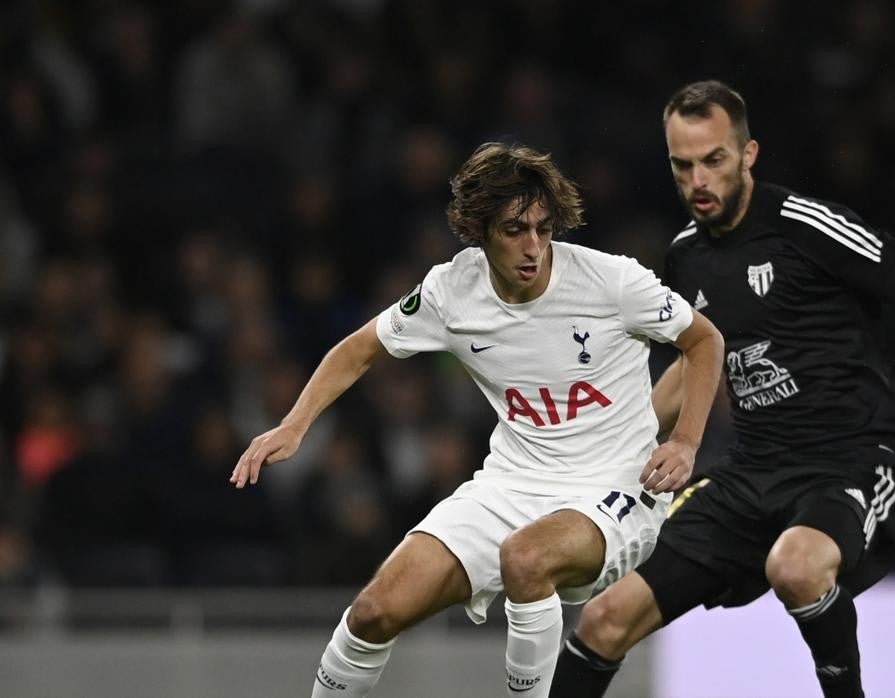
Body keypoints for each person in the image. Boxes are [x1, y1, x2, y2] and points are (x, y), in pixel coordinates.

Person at [230, 142, 724, 698]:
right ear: (480, 230)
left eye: (543, 228)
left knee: (526, 558)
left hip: (617, 488)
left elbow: (704, 339)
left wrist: (684, 441)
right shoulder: (450, 291)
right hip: (510, 485)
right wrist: (295, 425)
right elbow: (359, 349)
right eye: (515, 230)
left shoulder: (611, 282)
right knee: (373, 611)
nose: (533, 246)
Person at [549, 80, 895, 698]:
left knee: (795, 566)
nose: (698, 181)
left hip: (846, 461)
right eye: (682, 166)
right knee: (604, 619)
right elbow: (696, 362)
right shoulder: (685, 256)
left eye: (713, 160)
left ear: (747, 154)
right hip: (751, 473)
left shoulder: (806, 226)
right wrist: (617, 441)